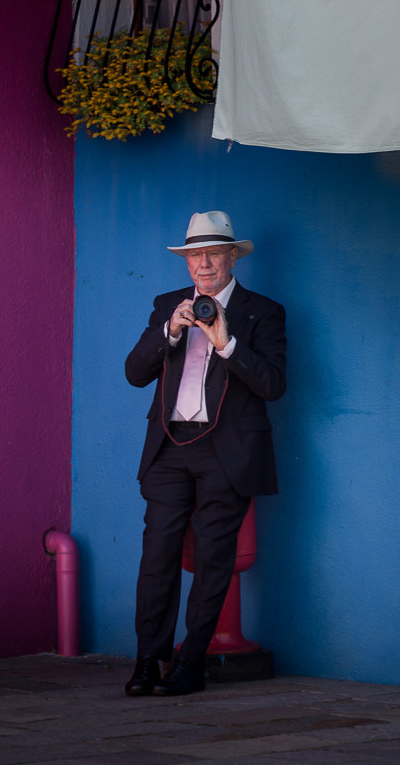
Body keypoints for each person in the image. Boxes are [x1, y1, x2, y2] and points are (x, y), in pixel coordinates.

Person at [123, 210, 286, 696]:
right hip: (170, 447)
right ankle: (148, 661)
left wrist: (227, 344)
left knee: (214, 559)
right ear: (187, 261)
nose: (204, 264)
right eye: (195, 255)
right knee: (157, 556)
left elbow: (274, 385)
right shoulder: (167, 304)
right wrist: (169, 332)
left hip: (226, 451)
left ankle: (191, 663)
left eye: (214, 253)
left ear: (233, 257)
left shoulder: (263, 312)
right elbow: (134, 373)